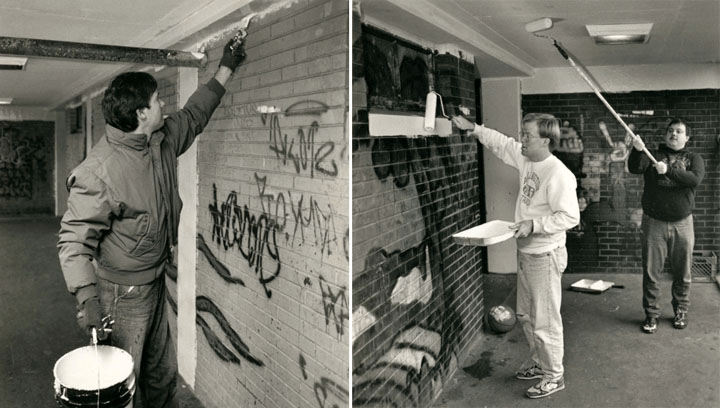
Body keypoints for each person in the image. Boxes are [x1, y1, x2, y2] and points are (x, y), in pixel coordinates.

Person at [57, 38, 246, 408]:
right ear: (142, 113)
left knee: (161, 376)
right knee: (120, 386)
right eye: (158, 100)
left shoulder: (159, 142)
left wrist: (228, 66)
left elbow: (194, 114)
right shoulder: (99, 172)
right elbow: (73, 242)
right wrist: (87, 297)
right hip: (121, 295)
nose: (164, 105)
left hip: (155, 279)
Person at [452, 113, 579, 399]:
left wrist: (534, 225)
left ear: (545, 141)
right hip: (526, 251)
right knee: (526, 315)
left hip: (545, 255)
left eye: (527, 136)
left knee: (545, 321)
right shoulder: (526, 158)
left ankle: (554, 376)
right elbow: (502, 143)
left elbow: (570, 216)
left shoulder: (558, 173)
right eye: (522, 133)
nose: (521, 140)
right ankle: (539, 362)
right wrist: (474, 128)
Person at [628, 118, 704, 334]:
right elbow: (635, 168)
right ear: (665, 134)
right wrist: (636, 151)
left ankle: (681, 310)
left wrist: (668, 170)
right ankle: (651, 314)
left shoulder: (694, 158)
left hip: (683, 223)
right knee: (652, 272)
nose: (674, 134)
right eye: (670, 130)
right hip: (654, 223)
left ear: (687, 137)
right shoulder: (653, 155)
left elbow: (694, 180)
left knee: (683, 272)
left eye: (679, 131)